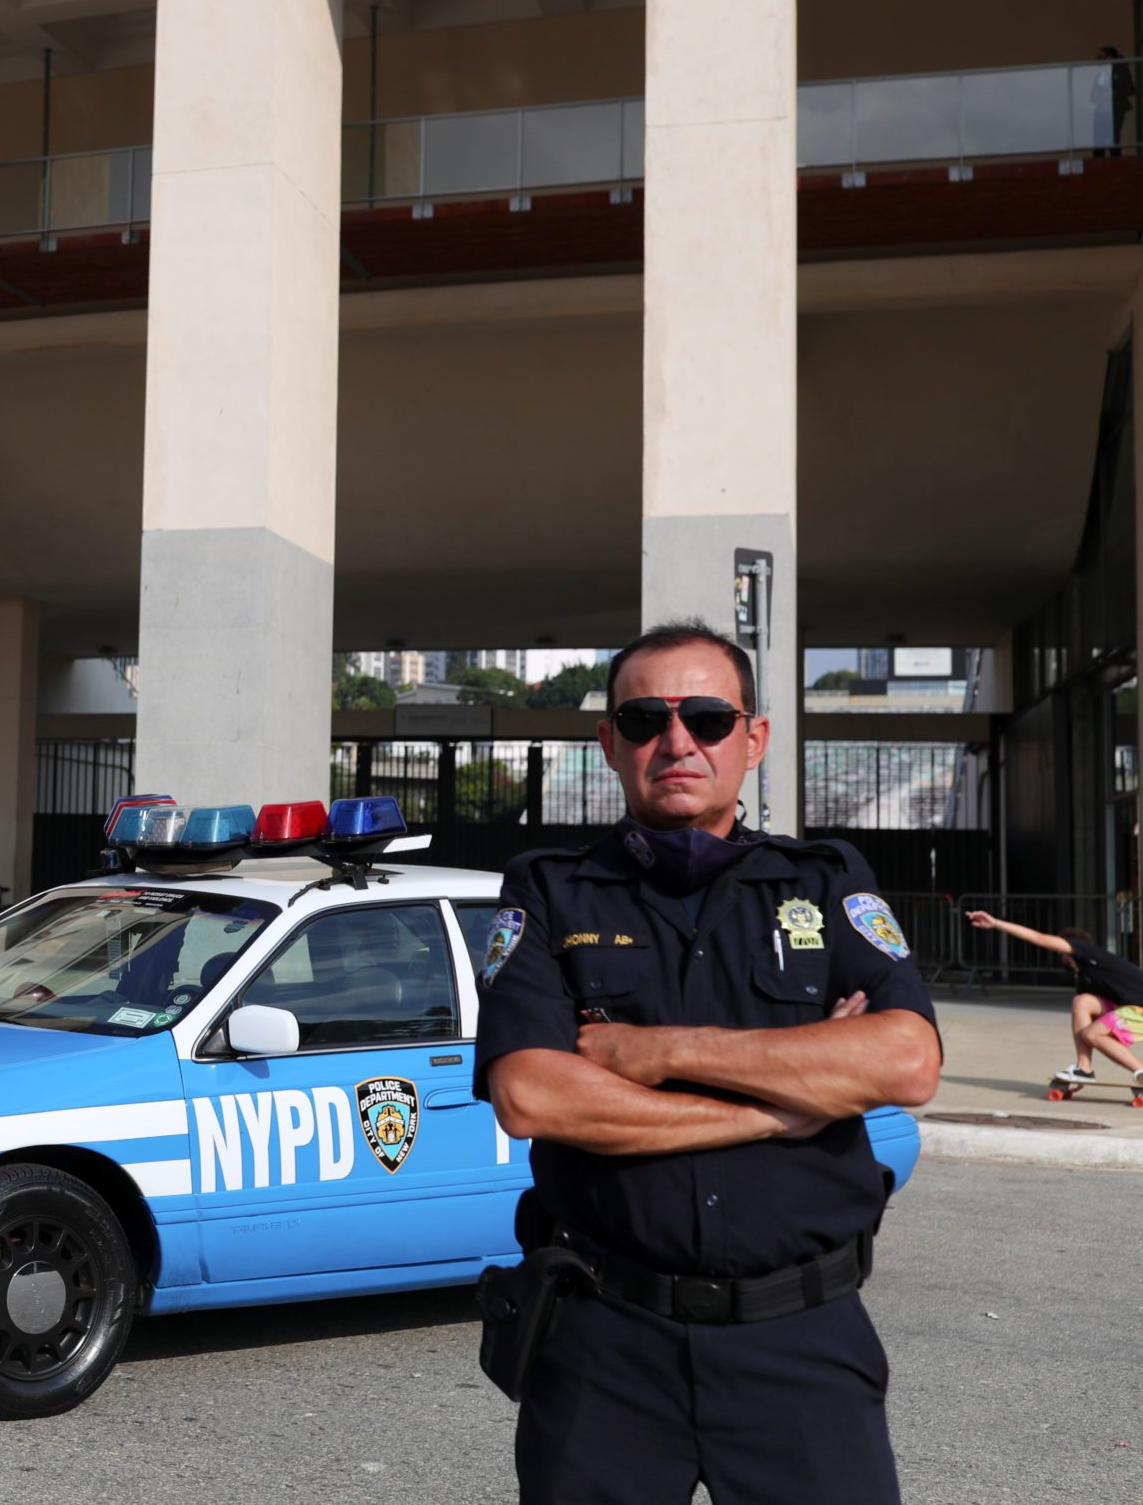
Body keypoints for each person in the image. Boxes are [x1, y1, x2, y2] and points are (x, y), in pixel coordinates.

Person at [475, 620, 943, 1504]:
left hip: (801, 1340)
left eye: (708, 717)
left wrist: (658, 1051)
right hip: (605, 1342)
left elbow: (908, 1059)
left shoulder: (824, 881)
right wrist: (782, 1101)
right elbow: (534, 1094)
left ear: (754, 738)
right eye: (646, 716)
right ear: (609, 743)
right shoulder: (547, 889)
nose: (677, 739)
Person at [965, 910, 1143, 1087]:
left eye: (1061, 952)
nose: (1061, 957)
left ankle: (1139, 1069)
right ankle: (1084, 1069)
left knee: (1092, 1034)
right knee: (1082, 1002)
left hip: (1139, 1008)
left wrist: (996, 923)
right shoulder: (1085, 977)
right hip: (1128, 1008)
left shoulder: (1088, 953)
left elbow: (1039, 938)